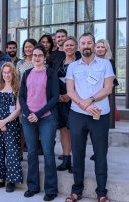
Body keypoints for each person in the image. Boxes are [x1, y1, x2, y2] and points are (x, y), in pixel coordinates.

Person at [65, 33, 114, 202]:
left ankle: (101, 193)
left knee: (100, 154)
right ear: (79, 47)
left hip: (100, 115)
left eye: (89, 43)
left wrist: (91, 100)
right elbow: (70, 91)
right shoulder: (72, 66)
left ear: (94, 45)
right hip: (77, 115)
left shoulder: (105, 64)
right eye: (83, 43)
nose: (86, 46)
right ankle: (76, 191)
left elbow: (108, 88)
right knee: (77, 154)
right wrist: (83, 104)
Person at [19, 45, 59, 201]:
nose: (36, 58)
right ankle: (33, 186)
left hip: (46, 118)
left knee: (48, 153)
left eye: (40, 55)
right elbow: (21, 96)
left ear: (45, 56)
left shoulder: (50, 74)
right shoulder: (27, 73)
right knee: (32, 153)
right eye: (34, 55)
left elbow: (55, 97)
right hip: (29, 119)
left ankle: (51, 190)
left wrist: (38, 114)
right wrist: (29, 114)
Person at [0, 62, 23, 193]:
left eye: (9, 72)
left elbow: (18, 109)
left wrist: (5, 122)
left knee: (12, 153)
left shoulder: (17, 88)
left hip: (11, 124)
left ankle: (11, 180)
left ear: (13, 73)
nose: (7, 75)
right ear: (1, 74)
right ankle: (0, 179)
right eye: (4, 73)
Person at [53, 37, 81, 172]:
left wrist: (69, 96)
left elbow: (83, 84)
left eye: (71, 45)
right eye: (66, 45)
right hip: (60, 102)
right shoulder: (59, 61)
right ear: (63, 48)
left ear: (76, 47)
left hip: (76, 101)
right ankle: (66, 159)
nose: (69, 47)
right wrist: (57, 96)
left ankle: (77, 162)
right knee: (63, 130)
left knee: (75, 132)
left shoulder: (80, 62)